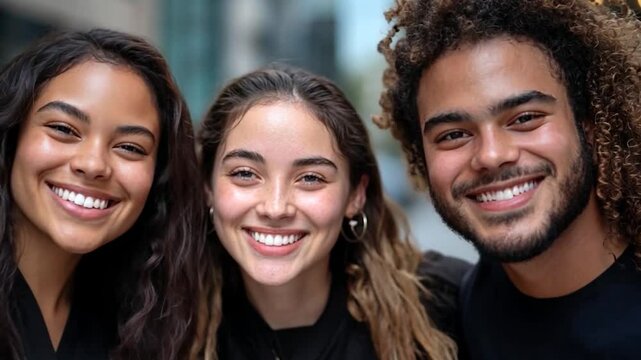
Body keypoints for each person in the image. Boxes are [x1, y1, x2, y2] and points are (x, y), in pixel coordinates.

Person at [377, 0, 641, 358]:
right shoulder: (457, 312)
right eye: (453, 135)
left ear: (590, 125)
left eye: (525, 118)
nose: (491, 155)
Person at [197, 65, 468, 360]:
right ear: (207, 187)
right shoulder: (163, 324)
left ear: (355, 195)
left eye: (311, 178)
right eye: (245, 174)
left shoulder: (450, 301)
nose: (275, 208)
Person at [0, 28, 208, 359]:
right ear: (12, 136)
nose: (94, 164)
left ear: (158, 177)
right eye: (64, 129)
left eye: (129, 147)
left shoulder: (141, 321)